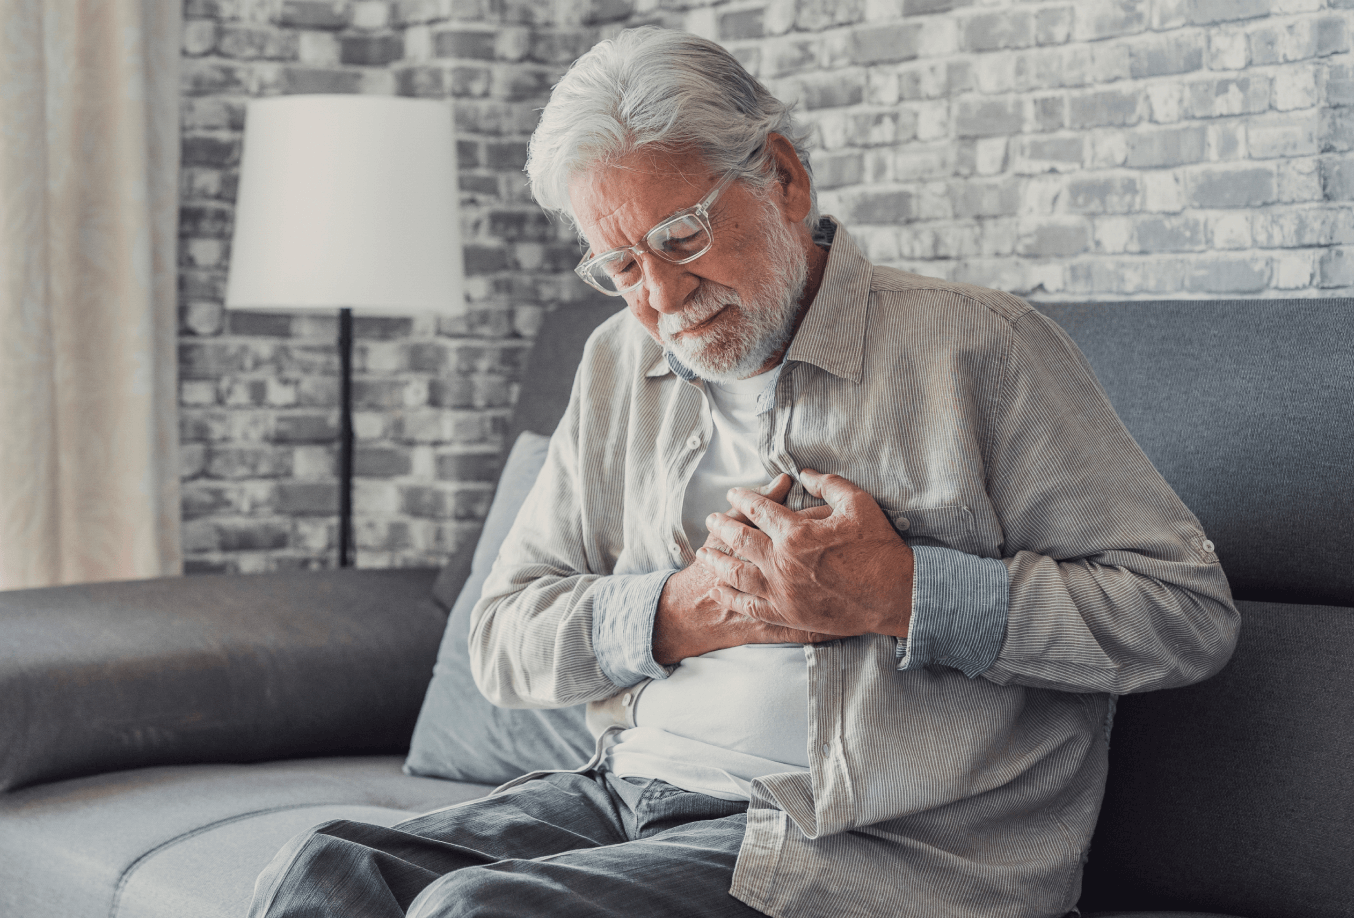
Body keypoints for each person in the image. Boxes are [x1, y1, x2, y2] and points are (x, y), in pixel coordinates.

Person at [249, 27, 1239, 918]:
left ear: (783, 178)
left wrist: (900, 591)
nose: (661, 296)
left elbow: (1184, 615)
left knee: (479, 911)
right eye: (620, 266)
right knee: (330, 871)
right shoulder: (617, 363)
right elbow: (503, 639)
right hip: (628, 796)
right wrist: (687, 609)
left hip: (861, 844)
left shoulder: (980, 348)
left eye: (681, 236)